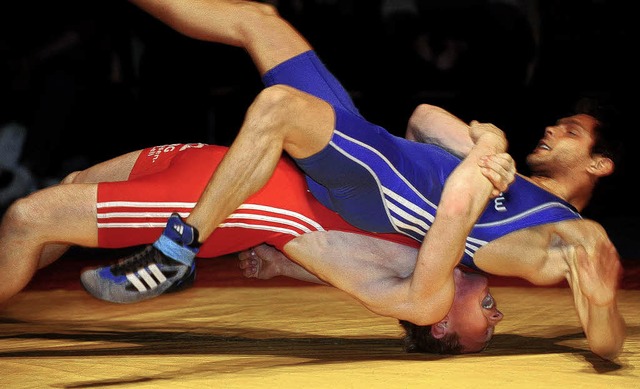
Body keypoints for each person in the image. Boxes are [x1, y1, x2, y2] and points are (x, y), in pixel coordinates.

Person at [88, 0, 624, 360]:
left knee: (277, 107)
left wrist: (604, 326)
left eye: (572, 131)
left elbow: (604, 338)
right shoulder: (506, 171)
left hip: (375, 182)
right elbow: (419, 117)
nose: (554, 126)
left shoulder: (560, 239)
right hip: (368, 140)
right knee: (260, 19)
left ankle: (176, 251)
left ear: (598, 165)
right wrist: (478, 142)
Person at [0, 136, 511, 354]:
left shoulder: (427, 295)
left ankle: (174, 258)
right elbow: (350, 260)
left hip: (230, 201)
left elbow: (459, 203)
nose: (497, 320)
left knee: (28, 218)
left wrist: (491, 148)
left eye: (481, 335)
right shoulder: (414, 269)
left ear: (440, 323)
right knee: (69, 186)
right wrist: (285, 267)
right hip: (229, 167)